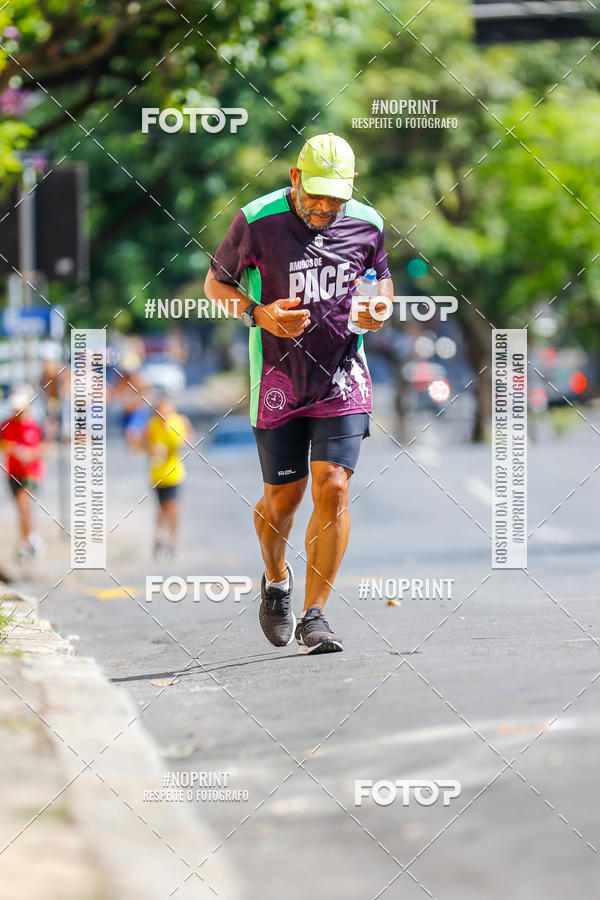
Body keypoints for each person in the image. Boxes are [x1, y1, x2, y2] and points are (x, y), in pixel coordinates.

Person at [205, 132, 394, 654]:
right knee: (281, 502)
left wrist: (379, 308)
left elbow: (381, 282)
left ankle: (316, 617)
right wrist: (258, 314)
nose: (325, 207)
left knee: (332, 484)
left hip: (342, 377)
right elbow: (215, 285)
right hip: (278, 382)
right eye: (316, 194)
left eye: (336, 196)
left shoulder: (368, 224)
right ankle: (276, 580)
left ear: (351, 187)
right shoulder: (257, 220)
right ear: (295, 179)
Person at [142, 394, 193, 560]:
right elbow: (142, 444)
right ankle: (158, 537)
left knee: (172, 506)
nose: (163, 414)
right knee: (162, 508)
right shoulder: (151, 426)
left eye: (166, 410)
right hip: (157, 473)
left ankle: (172, 542)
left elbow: (187, 438)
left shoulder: (178, 422)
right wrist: (152, 450)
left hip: (175, 473)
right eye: (160, 411)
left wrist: (184, 437)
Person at [0, 383, 47, 560]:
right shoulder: (6, 424)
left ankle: (28, 540)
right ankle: (28, 539)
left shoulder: (34, 425)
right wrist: (11, 448)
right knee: (21, 509)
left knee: (23, 503)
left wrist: (31, 454)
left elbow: (43, 446)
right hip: (13, 472)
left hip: (31, 472)